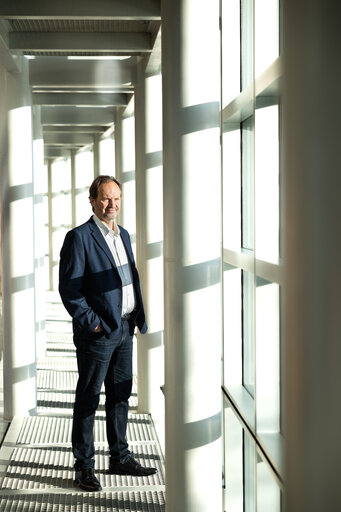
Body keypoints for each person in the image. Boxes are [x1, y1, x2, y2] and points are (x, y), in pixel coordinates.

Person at [59, 175, 157, 492]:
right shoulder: (79, 237)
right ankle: (84, 467)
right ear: (92, 200)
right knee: (88, 398)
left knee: (120, 396)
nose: (111, 203)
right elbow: (69, 289)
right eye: (105, 198)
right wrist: (94, 322)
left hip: (125, 327)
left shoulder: (123, 234)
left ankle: (120, 457)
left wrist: (135, 314)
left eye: (116, 197)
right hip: (99, 334)